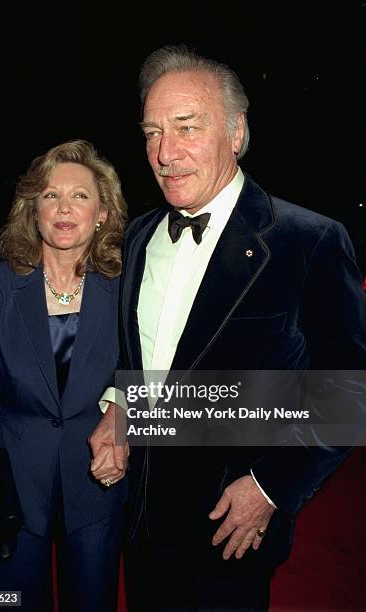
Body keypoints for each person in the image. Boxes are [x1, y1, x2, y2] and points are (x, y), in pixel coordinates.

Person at [89, 45, 366, 611]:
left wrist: (271, 487)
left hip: (231, 524)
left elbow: (350, 389)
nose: (164, 153)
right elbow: (146, 357)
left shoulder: (308, 240)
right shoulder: (140, 236)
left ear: (236, 132)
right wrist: (121, 403)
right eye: (151, 133)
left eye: (186, 127)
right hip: (140, 517)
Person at [0, 139, 129, 612]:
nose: (63, 208)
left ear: (102, 212)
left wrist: (126, 416)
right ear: (32, 211)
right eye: (50, 195)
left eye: (79, 195)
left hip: (99, 483)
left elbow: (147, 368)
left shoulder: (126, 286)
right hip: (13, 484)